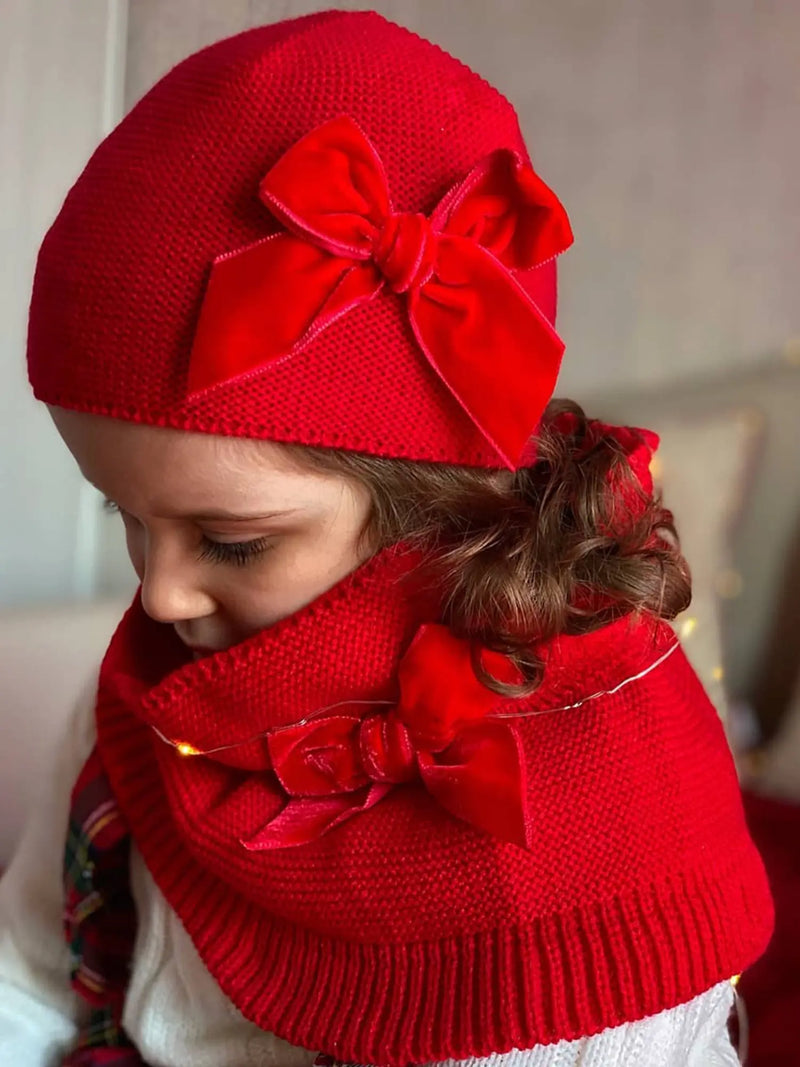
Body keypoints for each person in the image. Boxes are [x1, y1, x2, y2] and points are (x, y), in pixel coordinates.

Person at [0, 9, 772, 1066]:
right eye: (124, 516)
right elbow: (28, 973)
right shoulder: (160, 693)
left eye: (231, 542)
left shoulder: (601, 856)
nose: (161, 594)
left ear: (433, 503)